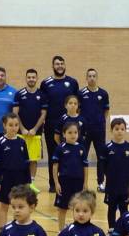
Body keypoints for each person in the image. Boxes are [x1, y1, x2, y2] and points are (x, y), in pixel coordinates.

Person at [41, 56, 79, 192]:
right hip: (51, 124)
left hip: (70, 126)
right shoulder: (46, 83)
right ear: (53, 66)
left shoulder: (73, 82)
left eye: (62, 63)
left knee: (71, 153)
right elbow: (43, 105)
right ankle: (52, 183)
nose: (60, 66)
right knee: (53, 155)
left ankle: (71, 181)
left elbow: (77, 103)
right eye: (57, 64)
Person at [0, 113, 31, 229]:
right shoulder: (0, 142)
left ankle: (17, 226)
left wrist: (28, 181)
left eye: (16, 125)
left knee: (19, 203)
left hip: (20, 178)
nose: (14, 128)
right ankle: (3, 229)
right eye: (11, 125)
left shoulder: (22, 142)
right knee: (4, 205)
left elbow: (27, 162)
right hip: (5, 178)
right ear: (4, 125)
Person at [12, 68, 47, 192]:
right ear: (26, 78)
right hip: (21, 134)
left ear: (36, 79)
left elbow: (43, 114)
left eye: (33, 77)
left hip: (35, 134)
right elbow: (15, 113)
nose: (31, 79)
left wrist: (34, 129)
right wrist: (22, 128)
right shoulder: (19, 94)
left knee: (33, 159)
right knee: (20, 159)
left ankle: (31, 183)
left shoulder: (42, 95)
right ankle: (20, 182)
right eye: (29, 77)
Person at [99, 118, 129, 233]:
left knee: (124, 208)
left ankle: (124, 229)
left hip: (125, 185)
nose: (119, 131)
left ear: (125, 130)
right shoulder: (107, 148)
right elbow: (103, 166)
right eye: (117, 129)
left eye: (122, 129)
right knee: (111, 208)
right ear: (111, 130)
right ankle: (111, 229)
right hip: (111, 185)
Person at [52, 122, 88, 230]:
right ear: (64, 134)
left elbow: (85, 167)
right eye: (70, 132)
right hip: (64, 181)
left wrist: (85, 183)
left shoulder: (81, 148)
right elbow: (55, 167)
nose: (73, 135)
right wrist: (56, 183)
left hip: (78, 182)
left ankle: (77, 229)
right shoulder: (60, 148)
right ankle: (61, 230)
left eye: (75, 132)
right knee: (62, 208)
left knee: (78, 207)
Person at [79, 69, 110, 191]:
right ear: (86, 78)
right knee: (83, 156)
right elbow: (78, 110)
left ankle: (101, 183)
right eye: (89, 76)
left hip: (99, 130)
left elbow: (106, 110)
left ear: (97, 78)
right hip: (85, 131)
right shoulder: (81, 93)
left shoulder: (103, 94)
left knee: (101, 157)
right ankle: (82, 182)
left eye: (94, 76)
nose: (92, 78)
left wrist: (101, 121)